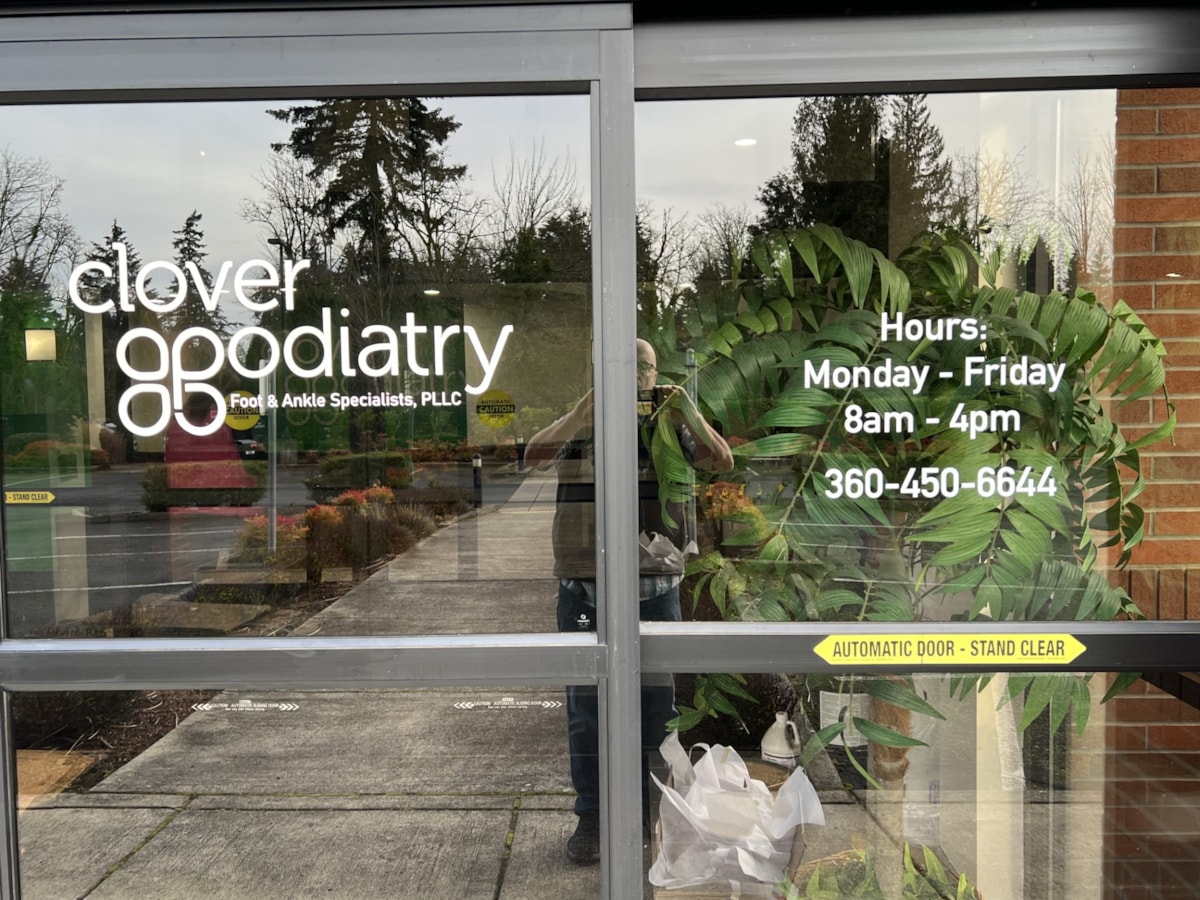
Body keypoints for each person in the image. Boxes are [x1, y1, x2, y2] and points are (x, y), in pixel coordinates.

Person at [526, 339, 733, 865]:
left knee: (658, 709)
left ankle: (648, 812)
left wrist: (686, 410)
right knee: (585, 710)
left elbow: (722, 461)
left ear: (656, 375)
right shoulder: (584, 420)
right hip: (585, 587)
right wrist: (582, 413)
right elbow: (532, 459)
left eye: (646, 367)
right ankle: (593, 815)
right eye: (626, 366)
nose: (637, 376)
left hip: (655, 589)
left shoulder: (670, 423)